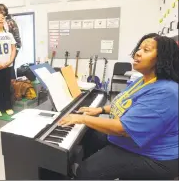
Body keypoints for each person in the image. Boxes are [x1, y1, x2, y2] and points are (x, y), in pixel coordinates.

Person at [58, 33, 179, 180]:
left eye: (146, 50)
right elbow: (126, 103)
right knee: (90, 134)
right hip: (133, 141)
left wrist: (81, 119)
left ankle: (86, 172)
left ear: (163, 58)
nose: (137, 53)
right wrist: (100, 109)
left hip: (154, 157)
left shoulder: (166, 92)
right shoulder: (144, 80)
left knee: (88, 171)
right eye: (139, 48)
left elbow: (123, 129)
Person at [0, 4, 21, 79]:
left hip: (9, 57)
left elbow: (17, 41)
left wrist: (13, 57)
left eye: (2, 10)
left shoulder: (11, 22)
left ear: (6, 11)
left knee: (10, 77)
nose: (1, 11)